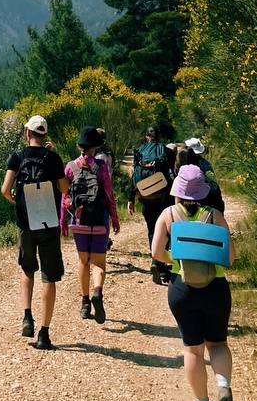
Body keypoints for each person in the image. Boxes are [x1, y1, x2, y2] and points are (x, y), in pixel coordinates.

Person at [152, 164, 236, 401]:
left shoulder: (169, 215)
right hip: (216, 289)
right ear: (202, 192)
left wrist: (175, 260)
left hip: (182, 289)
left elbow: (155, 252)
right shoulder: (215, 216)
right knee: (218, 344)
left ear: (178, 190)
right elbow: (230, 258)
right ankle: (223, 388)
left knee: (193, 349)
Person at [1, 114, 69, 351]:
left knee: (27, 269)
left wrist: (18, 202)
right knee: (49, 277)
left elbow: (5, 189)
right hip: (48, 224)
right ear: (44, 135)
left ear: (27, 133)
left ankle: (27, 317)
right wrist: (55, 156)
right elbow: (64, 188)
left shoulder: (17, 157)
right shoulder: (53, 158)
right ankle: (44, 333)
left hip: (25, 223)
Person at [60, 127, 120, 323]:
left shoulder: (70, 167)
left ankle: (85, 304)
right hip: (100, 221)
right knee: (99, 263)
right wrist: (115, 218)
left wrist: (63, 221)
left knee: (83, 261)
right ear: (95, 148)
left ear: (80, 146)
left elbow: (65, 197)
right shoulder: (102, 167)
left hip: (79, 221)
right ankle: (97, 292)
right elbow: (109, 195)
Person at [128, 124, 174, 283]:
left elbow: (134, 176)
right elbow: (172, 175)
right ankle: (160, 264)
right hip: (163, 196)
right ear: (159, 137)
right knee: (165, 230)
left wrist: (130, 198)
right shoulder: (166, 151)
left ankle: (155, 260)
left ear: (146, 136)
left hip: (144, 195)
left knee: (151, 229)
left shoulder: (139, 151)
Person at [173, 145, 225, 214]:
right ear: (197, 162)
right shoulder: (212, 186)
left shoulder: (175, 187)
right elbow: (220, 210)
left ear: (176, 167)